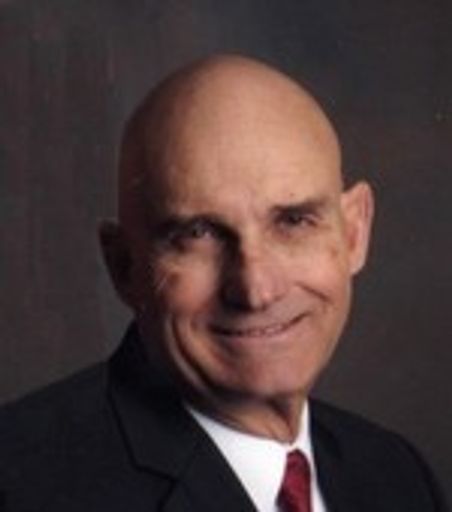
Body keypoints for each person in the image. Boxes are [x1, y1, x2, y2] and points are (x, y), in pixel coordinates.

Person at [0, 54, 447, 512]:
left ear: (354, 233)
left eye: (294, 221)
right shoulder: (20, 486)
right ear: (124, 266)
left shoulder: (397, 476)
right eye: (200, 234)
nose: (256, 289)